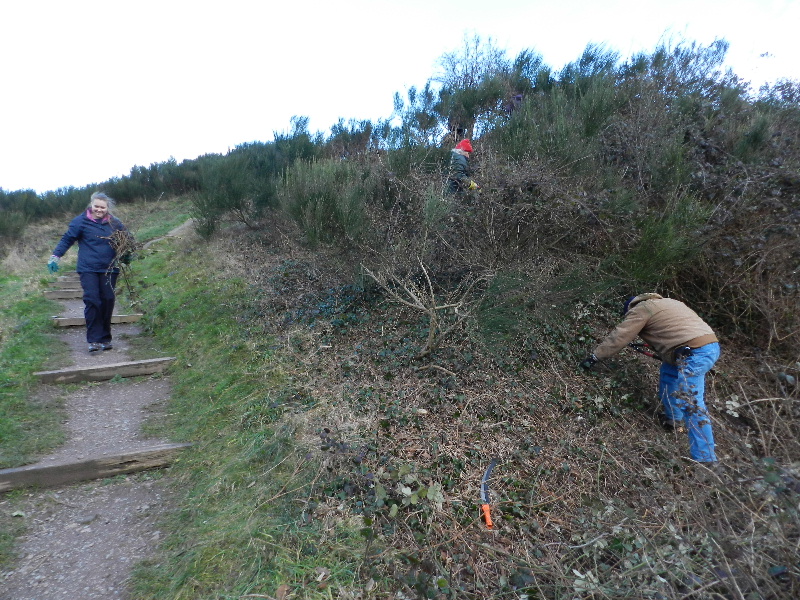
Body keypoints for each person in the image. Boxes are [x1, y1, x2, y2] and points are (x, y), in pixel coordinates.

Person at [580, 293, 721, 465]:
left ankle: (705, 458)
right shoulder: (669, 302)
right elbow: (677, 331)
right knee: (669, 377)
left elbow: (620, 336)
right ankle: (673, 419)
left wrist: (595, 357)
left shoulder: (642, 309)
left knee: (691, 403)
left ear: (630, 308)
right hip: (703, 347)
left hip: (695, 353)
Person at [48, 192, 132, 353]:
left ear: (107, 208)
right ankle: (94, 340)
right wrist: (55, 256)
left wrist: (127, 254)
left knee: (107, 300)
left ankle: (105, 338)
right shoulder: (80, 221)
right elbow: (67, 239)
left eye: (102, 207)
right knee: (93, 300)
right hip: (88, 268)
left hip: (110, 268)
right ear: (91, 205)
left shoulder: (115, 223)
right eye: (96, 206)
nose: (99, 210)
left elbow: (127, 239)